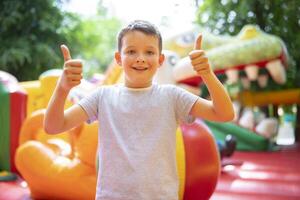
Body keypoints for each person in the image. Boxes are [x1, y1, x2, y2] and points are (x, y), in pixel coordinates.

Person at [44, 20, 234, 200]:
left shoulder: (172, 96)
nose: (141, 58)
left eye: (149, 52)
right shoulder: (102, 97)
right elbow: (53, 126)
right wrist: (62, 88)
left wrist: (207, 74)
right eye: (131, 51)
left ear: (160, 60)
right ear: (119, 58)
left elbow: (224, 113)